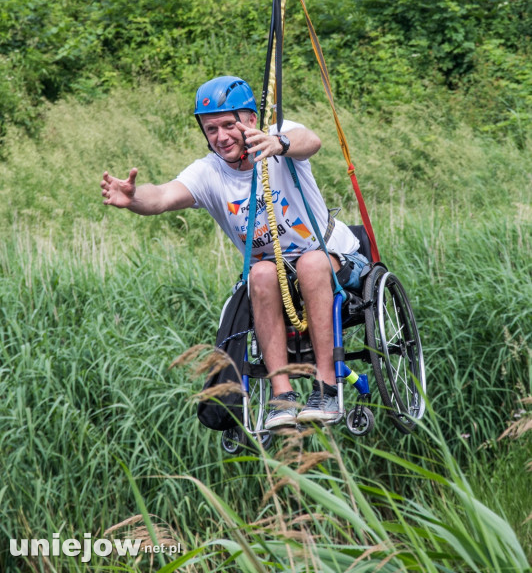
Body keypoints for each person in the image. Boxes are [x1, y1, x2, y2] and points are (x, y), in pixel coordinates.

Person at [101, 76, 367, 429]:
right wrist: (133, 198)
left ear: (251, 120)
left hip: (334, 258)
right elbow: (162, 196)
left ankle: (327, 388)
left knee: (310, 262)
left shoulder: (276, 134)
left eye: (229, 124)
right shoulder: (209, 172)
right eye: (211, 129)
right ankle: (282, 397)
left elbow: (311, 141)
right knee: (257, 273)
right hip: (275, 276)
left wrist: (279, 143)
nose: (221, 136)